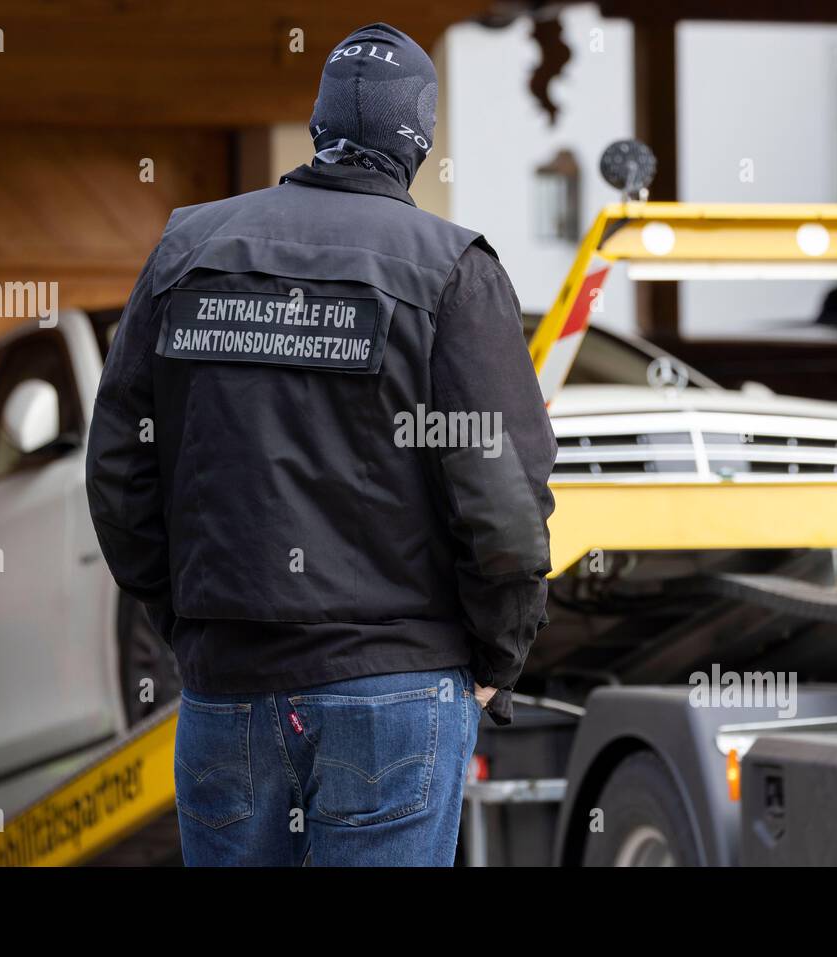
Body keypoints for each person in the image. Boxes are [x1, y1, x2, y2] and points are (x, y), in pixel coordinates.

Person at [85, 22, 555, 866]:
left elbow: (120, 472)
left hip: (226, 692)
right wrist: (497, 660)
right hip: (398, 691)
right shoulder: (450, 269)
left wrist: (192, 625)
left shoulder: (186, 250)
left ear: (318, 122)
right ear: (418, 137)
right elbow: (505, 508)